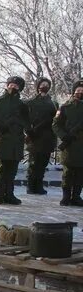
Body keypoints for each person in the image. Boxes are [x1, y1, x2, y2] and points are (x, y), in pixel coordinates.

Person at [0, 76, 29, 205]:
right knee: (1, 170)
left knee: (12, 170)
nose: (12, 87)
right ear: (7, 85)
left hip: (16, 140)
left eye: (16, 86)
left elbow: (27, 121)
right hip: (2, 139)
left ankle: (9, 194)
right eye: (11, 85)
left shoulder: (22, 105)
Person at [52, 78, 83, 206]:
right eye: (78, 90)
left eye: (82, 91)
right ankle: (66, 196)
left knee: (80, 172)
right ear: (73, 91)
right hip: (69, 144)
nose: (80, 93)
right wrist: (64, 136)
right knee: (68, 172)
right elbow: (56, 124)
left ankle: (76, 196)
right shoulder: (65, 107)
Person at [25, 77, 58, 195]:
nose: (44, 87)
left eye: (47, 85)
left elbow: (56, 120)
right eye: (42, 84)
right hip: (34, 136)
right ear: (38, 87)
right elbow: (25, 118)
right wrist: (29, 131)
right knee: (33, 163)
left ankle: (38, 185)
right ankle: (30, 185)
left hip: (47, 137)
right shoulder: (30, 102)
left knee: (43, 163)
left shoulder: (53, 103)